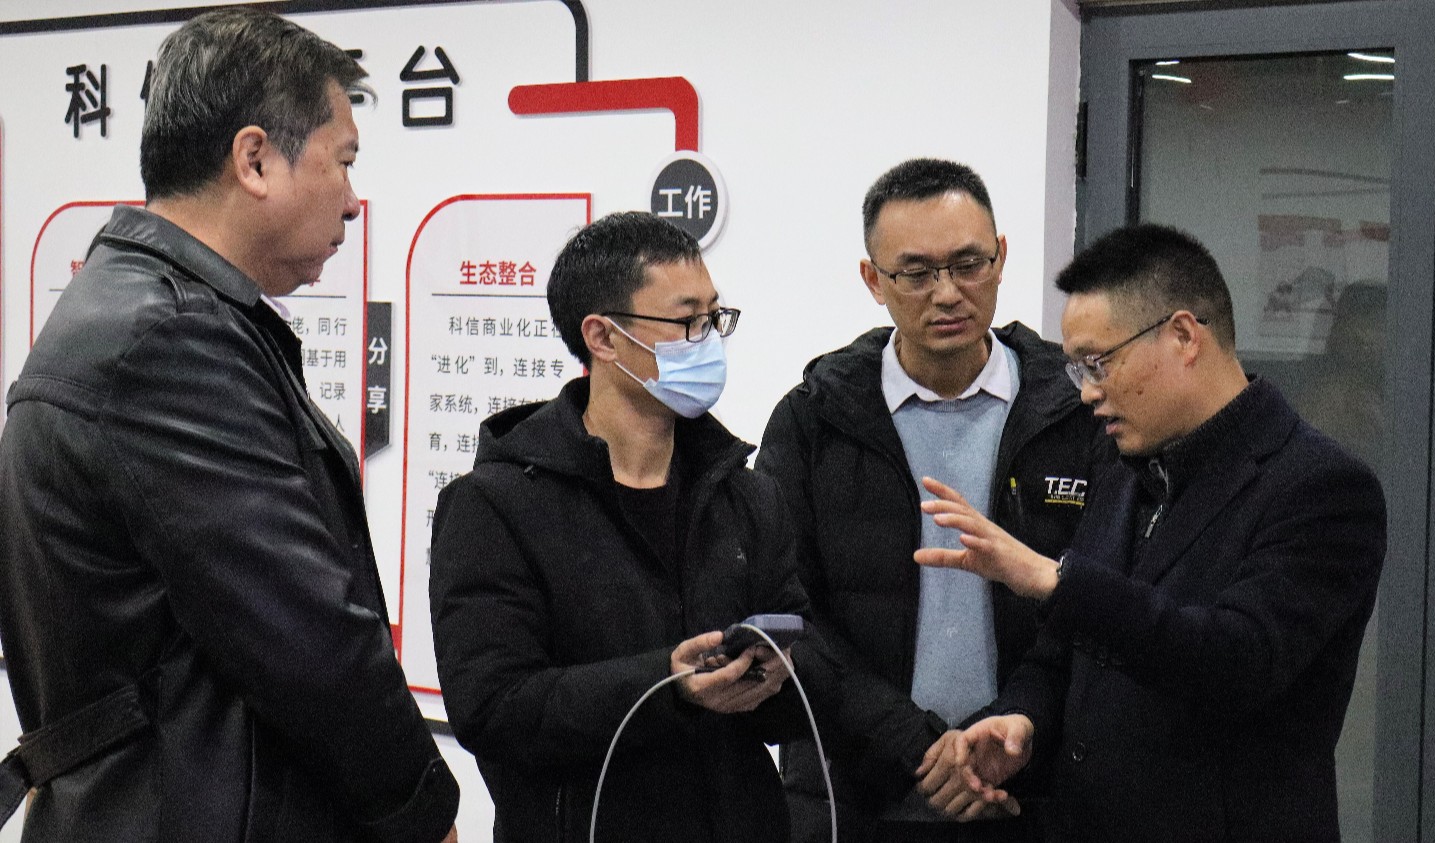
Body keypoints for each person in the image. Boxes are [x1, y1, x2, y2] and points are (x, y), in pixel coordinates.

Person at [0, 10, 460, 842]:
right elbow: (306, 635)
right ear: (254, 160)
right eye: (343, 162)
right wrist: (420, 809)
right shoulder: (170, 337)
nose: (353, 203)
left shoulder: (138, 310)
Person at [916, 224, 1386, 842]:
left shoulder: (1320, 487)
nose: (1087, 393)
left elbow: (1235, 661)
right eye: (1076, 369)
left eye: (1099, 363)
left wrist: (1053, 580)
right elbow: (1065, 652)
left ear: (1184, 336)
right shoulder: (1125, 469)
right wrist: (1021, 720)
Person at [756, 158, 1109, 842]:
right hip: (850, 798)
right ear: (873, 281)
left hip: (1033, 794)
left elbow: (1101, 596)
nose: (948, 293)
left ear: (1001, 258)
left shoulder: (1078, 412)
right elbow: (787, 607)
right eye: (916, 274)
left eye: (969, 264)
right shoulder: (814, 419)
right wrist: (916, 746)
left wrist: (1016, 723)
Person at [429, 211, 810, 843]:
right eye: (687, 322)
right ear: (603, 337)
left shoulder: (745, 494)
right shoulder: (493, 506)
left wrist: (776, 676)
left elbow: (804, 678)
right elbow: (492, 710)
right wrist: (668, 684)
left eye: (714, 317)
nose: (709, 342)